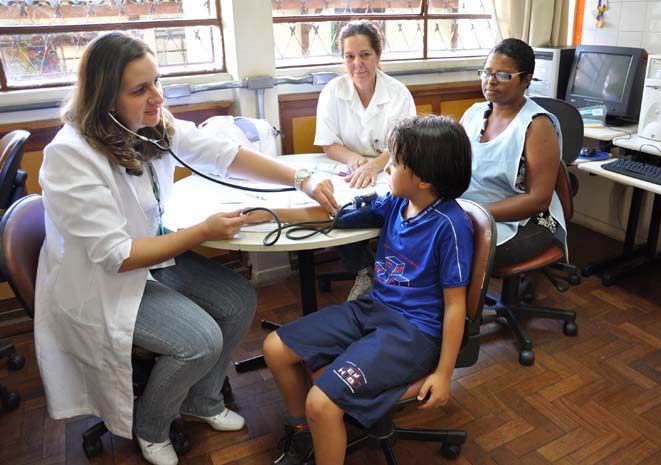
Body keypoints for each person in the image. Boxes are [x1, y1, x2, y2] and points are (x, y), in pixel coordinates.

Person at [35, 32, 338, 465]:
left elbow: (221, 152)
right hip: (101, 282)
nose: (157, 97)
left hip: (151, 259)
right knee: (198, 341)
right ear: (104, 98)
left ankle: (202, 399)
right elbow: (116, 255)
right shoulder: (69, 155)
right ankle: (151, 427)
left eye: (157, 81)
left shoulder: (148, 124)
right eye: (140, 90)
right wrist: (203, 231)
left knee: (239, 300)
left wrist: (300, 178)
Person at [248, 115, 473, 465]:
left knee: (321, 404)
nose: (387, 169)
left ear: (424, 179)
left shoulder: (451, 226)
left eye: (395, 162)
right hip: (375, 309)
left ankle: (319, 426)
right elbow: (338, 213)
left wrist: (444, 374)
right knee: (275, 347)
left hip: (412, 333)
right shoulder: (399, 201)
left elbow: (456, 305)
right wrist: (270, 214)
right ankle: (305, 436)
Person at [314, 20, 416, 299]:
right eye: (350, 56)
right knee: (337, 208)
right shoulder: (333, 91)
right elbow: (328, 142)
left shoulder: (397, 93)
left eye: (365, 55)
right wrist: (353, 159)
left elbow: (403, 143)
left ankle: (388, 273)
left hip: (392, 167)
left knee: (391, 206)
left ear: (378, 55)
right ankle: (363, 268)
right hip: (347, 169)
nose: (357, 63)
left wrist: (374, 165)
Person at [460, 38, 565, 269]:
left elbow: (538, 200)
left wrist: (476, 214)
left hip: (526, 222)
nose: (491, 81)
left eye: (503, 75)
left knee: (453, 250)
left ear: (526, 80)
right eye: (486, 72)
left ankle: (459, 306)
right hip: (471, 210)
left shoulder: (537, 125)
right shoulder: (474, 113)